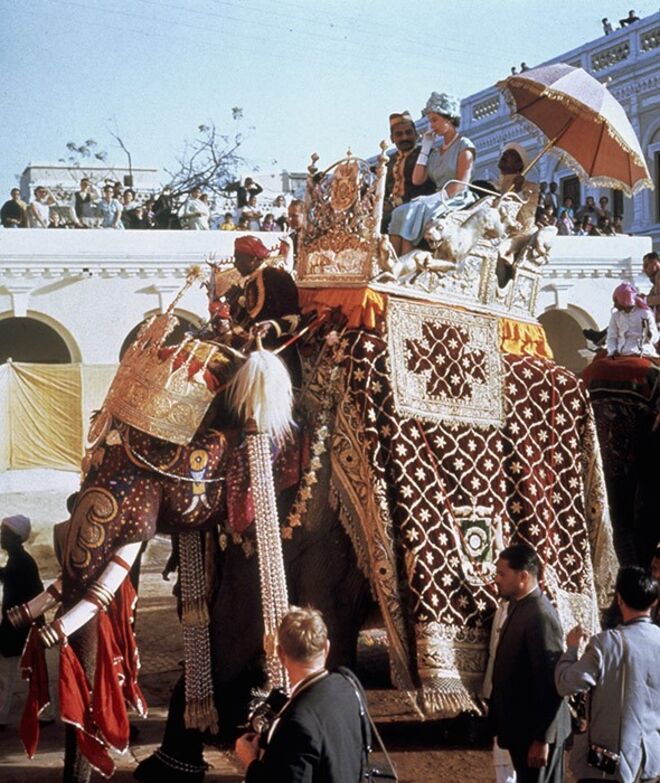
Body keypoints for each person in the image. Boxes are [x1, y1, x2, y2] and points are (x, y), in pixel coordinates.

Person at [234, 607, 365, 783]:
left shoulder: (296, 723)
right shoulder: (349, 686)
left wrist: (251, 762)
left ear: (281, 654)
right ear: (327, 648)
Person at [555, 566, 660, 783]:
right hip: (648, 763)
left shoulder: (607, 644)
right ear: (654, 601)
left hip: (607, 766)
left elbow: (566, 684)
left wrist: (571, 649)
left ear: (619, 599)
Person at [489, 544, 570, 783]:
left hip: (536, 736)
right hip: (521, 731)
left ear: (523, 576)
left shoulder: (540, 616)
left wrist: (542, 738)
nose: (497, 579)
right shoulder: (520, 605)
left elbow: (550, 683)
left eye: (502, 573)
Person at [389, 91, 476, 255]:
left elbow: (461, 184)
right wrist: (426, 148)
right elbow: (417, 179)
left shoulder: (464, 145)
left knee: (412, 211)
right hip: (437, 199)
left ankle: (406, 260)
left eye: (435, 120)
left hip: (456, 198)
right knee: (398, 212)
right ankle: (392, 262)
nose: (432, 126)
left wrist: (434, 198)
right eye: (430, 121)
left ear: (449, 118)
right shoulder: (435, 152)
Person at [0, 515, 44, 728]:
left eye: (5, 534)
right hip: (26, 622)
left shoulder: (20, 562)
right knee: (34, 670)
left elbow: (11, 580)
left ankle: (1, 716)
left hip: (20, 623)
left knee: (6, 672)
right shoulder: (19, 559)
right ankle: (46, 713)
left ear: (17, 538)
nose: (1, 537)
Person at [382, 110, 435, 232]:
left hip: (416, 208)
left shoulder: (426, 154)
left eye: (408, 133)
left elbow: (429, 187)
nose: (404, 137)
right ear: (392, 138)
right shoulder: (389, 162)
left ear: (416, 134)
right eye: (399, 134)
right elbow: (384, 191)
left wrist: (396, 204)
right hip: (393, 211)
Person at [606, 282, 659, 359]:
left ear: (624, 300)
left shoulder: (645, 313)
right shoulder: (616, 316)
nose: (614, 305)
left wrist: (650, 335)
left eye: (616, 301)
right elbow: (611, 337)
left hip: (643, 352)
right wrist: (612, 351)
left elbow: (655, 338)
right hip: (621, 353)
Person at [643, 251, 660, 329]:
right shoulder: (655, 282)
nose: (644, 270)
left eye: (646, 266)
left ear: (655, 263)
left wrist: (644, 300)